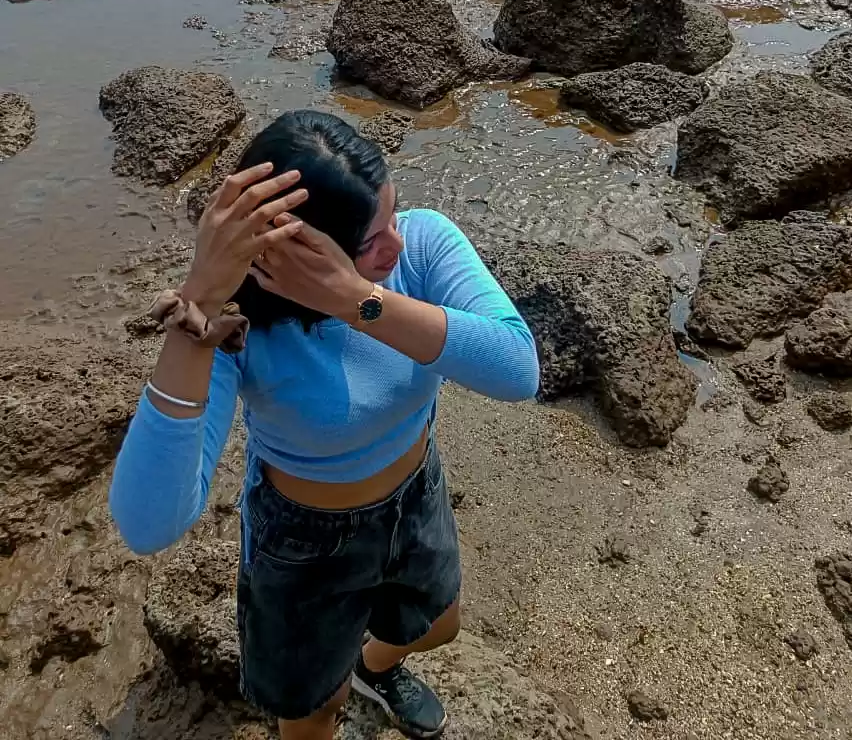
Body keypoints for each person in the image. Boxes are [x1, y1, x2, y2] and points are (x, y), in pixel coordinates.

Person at [109, 110, 539, 740]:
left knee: (435, 624)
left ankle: (373, 667)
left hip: (416, 492)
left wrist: (356, 296)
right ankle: (341, 684)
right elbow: (148, 524)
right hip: (300, 543)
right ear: (295, 247)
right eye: (371, 240)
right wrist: (197, 302)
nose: (395, 243)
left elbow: (518, 369)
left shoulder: (419, 246)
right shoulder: (238, 327)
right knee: (314, 711)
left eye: (393, 214)